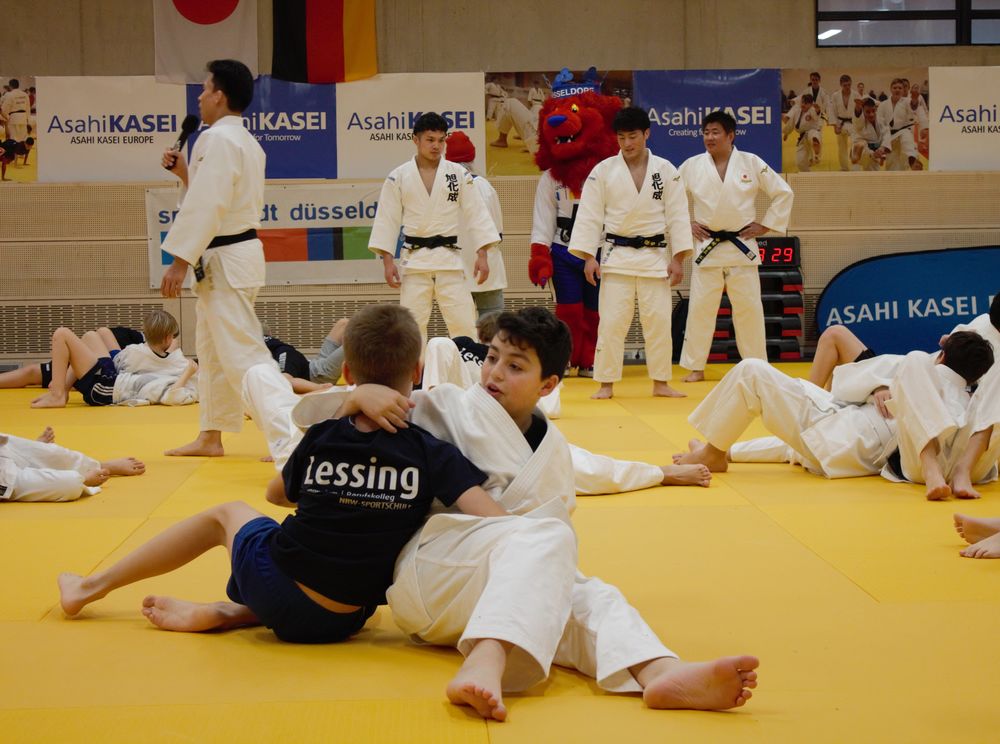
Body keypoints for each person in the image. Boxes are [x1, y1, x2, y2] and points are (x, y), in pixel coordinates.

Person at [290, 307, 753, 721]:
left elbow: (596, 469)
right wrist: (355, 397)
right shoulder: (442, 406)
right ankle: (487, 660)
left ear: (548, 385)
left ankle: (660, 671)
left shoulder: (551, 448)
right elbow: (310, 421)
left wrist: (661, 473)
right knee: (549, 535)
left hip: (498, 589)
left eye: (514, 367)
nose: (493, 373)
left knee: (591, 593)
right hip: (431, 573)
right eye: (491, 358)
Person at [57, 304, 508, 647]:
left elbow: (277, 495)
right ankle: (230, 613)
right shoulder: (433, 452)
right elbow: (497, 523)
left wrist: (334, 487)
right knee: (333, 561)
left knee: (227, 514)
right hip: (348, 618)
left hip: (277, 590)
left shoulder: (325, 435)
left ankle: (89, 587)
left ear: (347, 372)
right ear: (417, 372)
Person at [674, 333, 992, 487]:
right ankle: (721, 451)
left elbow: (843, 387)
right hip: (856, 457)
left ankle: (713, 453)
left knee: (752, 372)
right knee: (798, 441)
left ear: (941, 353)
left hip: (846, 433)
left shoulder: (919, 364)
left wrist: (878, 386)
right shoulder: (970, 401)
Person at [159, 59, 276, 457]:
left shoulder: (218, 139)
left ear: (220, 96)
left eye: (206, 89)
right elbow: (215, 198)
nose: (201, 96)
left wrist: (178, 260)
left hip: (226, 257)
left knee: (243, 353)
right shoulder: (243, 141)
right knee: (211, 351)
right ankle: (211, 435)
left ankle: (292, 440)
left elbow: (209, 206)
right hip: (229, 256)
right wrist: (186, 176)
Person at [569, 106, 692, 399]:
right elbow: (589, 215)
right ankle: (606, 383)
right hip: (616, 255)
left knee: (659, 323)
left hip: (654, 256)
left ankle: (661, 382)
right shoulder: (603, 171)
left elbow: (677, 214)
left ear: (646, 134)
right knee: (611, 322)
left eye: (633, 136)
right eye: (622, 137)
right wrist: (589, 256)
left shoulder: (666, 171)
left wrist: (678, 258)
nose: (627, 143)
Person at [679, 110, 794, 382]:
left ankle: (756, 367)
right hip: (707, 247)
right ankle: (696, 366)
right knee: (700, 309)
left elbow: (783, 192)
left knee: (750, 310)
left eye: (715, 132)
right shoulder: (692, 165)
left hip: (741, 245)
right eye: (706, 132)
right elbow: (670, 199)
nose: (709, 137)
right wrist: (686, 223)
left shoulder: (751, 163)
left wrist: (765, 225)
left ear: (731, 136)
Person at [369, 113, 500, 350]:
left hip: (449, 260)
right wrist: (387, 261)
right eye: (430, 139)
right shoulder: (398, 176)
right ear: (415, 140)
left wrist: (483, 254)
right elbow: (386, 219)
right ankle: (414, 380)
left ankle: (467, 375)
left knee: (464, 324)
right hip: (415, 261)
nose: (436, 146)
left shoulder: (458, 174)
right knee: (411, 328)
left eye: (441, 140)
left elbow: (476, 213)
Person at [885, 338, 996, 500]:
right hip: (975, 470)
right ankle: (947, 469)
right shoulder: (982, 399)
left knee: (916, 357)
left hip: (919, 467)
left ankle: (945, 469)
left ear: (941, 356)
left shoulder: (917, 375)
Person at [29, 311, 198, 409]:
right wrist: (188, 369)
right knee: (90, 336)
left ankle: (58, 394)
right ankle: (62, 390)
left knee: (62, 334)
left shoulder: (138, 352)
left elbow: (118, 363)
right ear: (169, 338)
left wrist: (187, 371)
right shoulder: (178, 361)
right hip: (112, 380)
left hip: (106, 387)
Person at [445, 131, 508, 318]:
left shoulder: (443, 189)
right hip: (487, 264)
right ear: (472, 157)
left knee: (460, 328)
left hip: (455, 268)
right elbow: (497, 231)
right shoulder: (484, 187)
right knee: (492, 327)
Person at [1, 427, 145, 503]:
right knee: (66, 484)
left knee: (51, 453)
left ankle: (100, 465)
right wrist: (83, 480)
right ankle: (84, 479)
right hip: (5, 478)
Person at [0, 323, 157, 391]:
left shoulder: (144, 349)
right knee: (32, 372)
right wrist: (65, 383)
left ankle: (62, 388)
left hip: (91, 364)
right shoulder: (135, 341)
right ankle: (61, 389)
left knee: (33, 373)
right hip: (84, 359)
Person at [782, 93, 824, 171]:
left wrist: (817, 111)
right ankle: (807, 174)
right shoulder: (797, 111)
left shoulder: (812, 110)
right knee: (800, 162)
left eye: (806, 103)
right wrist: (786, 133)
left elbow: (816, 116)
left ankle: (816, 151)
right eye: (803, 102)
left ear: (811, 104)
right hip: (802, 137)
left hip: (813, 132)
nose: (803, 105)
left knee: (813, 135)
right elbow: (791, 124)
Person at [850, 98, 888, 171]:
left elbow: (886, 133)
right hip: (861, 151)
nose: (871, 114)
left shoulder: (880, 119)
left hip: (875, 150)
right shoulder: (860, 121)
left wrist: (882, 148)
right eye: (867, 112)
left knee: (874, 175)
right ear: (862, 111)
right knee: (860, 146)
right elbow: (857, 118)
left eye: (873, 111)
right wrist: (858, 108)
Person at [829, 74, 855, 171]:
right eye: (845, 85)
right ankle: (844, 167)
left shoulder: (855, 95)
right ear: (840, 84)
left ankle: (854, 162)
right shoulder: (835, 96)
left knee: (855, 142)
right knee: (841, 147)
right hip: (840, 122)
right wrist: (835, 126)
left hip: (853, 123)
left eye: (849, 85)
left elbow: (859, 112)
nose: (847, 87)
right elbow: (832, 111)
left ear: (851, 83)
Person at [0, 79, 30, 143]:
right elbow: (28, 108)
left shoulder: (10, 95)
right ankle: (22, 152)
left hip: (13, 118)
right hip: (23, 118)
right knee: (23, 138)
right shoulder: (25, 94)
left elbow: (4, 110)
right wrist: (28, 120)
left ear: (10, 86)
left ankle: (15, 152)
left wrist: (6, 118)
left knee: (14, 139)